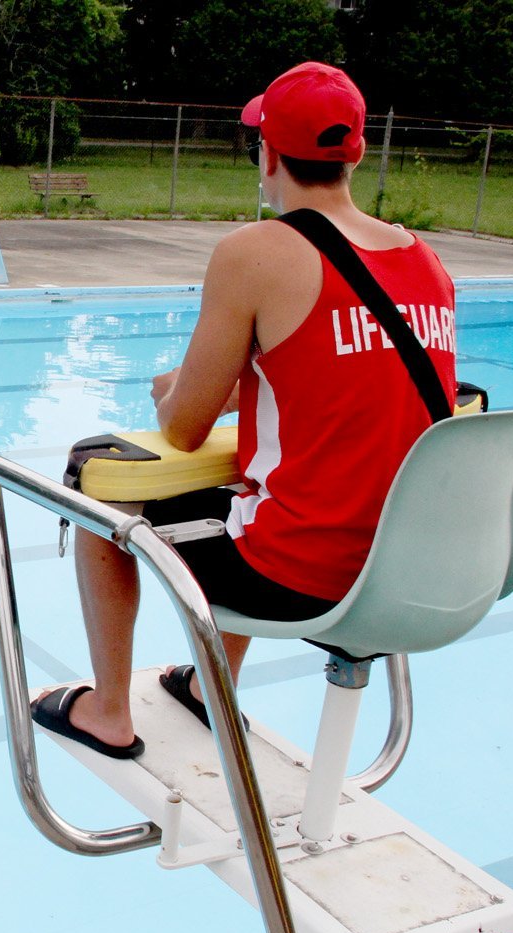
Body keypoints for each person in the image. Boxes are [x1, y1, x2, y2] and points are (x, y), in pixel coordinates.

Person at [33, 62, 458, 758]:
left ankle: (109, 711)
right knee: (244, 492)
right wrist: (243, 378)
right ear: (354, 150)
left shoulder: (255, 253)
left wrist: (176, 386)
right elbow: (342, 376)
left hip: (305, 579)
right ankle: (206, 687)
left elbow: (182, 427)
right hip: (411, 571)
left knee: (98, 494)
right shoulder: (425, 260)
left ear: (266, 155)